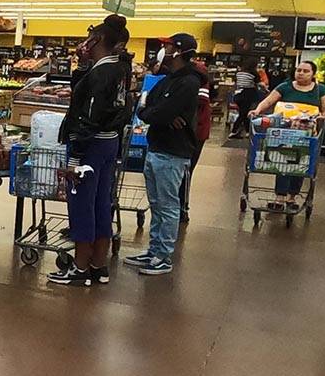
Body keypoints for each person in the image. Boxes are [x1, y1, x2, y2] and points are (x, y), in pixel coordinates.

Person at [48, 15, 133, 287]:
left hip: (91, 145)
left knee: (81, 204)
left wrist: (75, 157)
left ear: (96, 39)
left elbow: (89, 114)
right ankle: (99, 265)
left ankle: (80, 267)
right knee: (100, 204)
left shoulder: (102, 72)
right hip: (110, 142)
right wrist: (83, 64)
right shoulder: (120, 69)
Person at [124, 33, 202, 276]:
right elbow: (145, 106)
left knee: (168, 206)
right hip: (157, 147)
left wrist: (159, 114)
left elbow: (160, 111)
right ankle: (153, 249)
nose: (162, 49)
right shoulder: (168, 79)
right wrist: (158, 114)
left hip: (173, 152)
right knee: (156, 204)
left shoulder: (189, 82)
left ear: (178, 51)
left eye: (167, 46)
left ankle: (163, 256)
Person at [249, 60, 325, 209]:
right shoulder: (285, 87)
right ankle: (280, 197)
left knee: (301, 165)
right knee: (281, 163)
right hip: (283, 134)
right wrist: (257, 111)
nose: (301, 73)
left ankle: (292, 197)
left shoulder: (321, 90)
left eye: (306, 71)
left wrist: (323, 117)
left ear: (313, 74)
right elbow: (268, 101)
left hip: (307, 135)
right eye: (299, 70)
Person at [177, 58, 212, 224]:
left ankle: (182, 207)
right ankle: (178, 206)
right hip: (186, 130)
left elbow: (202, 100)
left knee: (186, 170)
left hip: (195, 131)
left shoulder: (197, 73)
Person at [229, 56, 262, 138]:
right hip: (248, 95)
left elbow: (237, 83)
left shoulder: (239, 73)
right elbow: (259, 84)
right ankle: (234, 131)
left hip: (238, 95)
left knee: (243, 113)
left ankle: (247, 132)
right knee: (243, 114)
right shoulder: (254, 73)